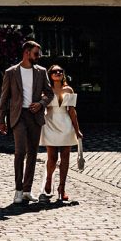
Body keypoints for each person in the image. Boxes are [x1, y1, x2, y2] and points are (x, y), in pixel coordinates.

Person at [0, 41, 55, 204]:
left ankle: (27, 190)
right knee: (20, 151)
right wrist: (1, 120)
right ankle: (18, 189)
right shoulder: (11, 72)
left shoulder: (41, 71)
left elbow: (49, 94)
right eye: (36, 54)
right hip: (18, 116)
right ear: (26, 53)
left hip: (35, 116)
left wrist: (41, 104)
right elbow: (4, 98)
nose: (39, 57)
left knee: (33, 153)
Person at [39, 65, 82, 202]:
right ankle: (49, 178)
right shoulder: (46, 90)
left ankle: (62, 188)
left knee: (65, 157)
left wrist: (77, 129)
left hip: (66, 125)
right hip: (50, 124)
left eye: (60, 71)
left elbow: (72, 111)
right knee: (52, 157)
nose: (58, 73)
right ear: (50, 74)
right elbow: (40, 107)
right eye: (54, 71)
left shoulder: (68, 89)